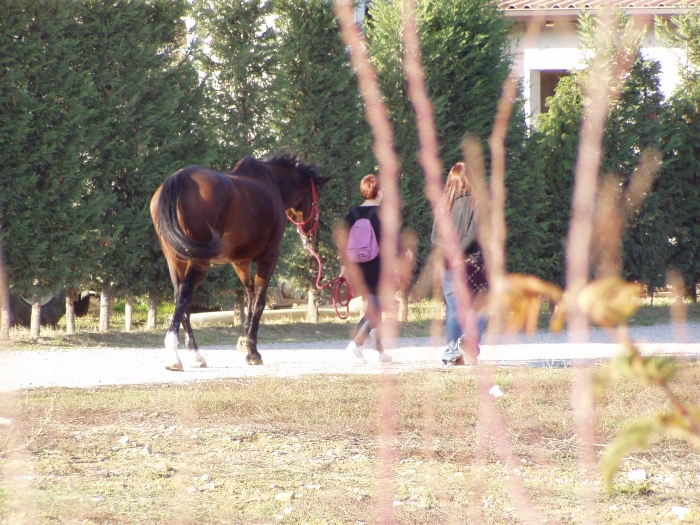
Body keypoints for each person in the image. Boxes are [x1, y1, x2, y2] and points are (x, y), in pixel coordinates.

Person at [431, 162, 488, 366]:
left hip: (450, 266)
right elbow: (473, 233)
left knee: (454, 310)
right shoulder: (478, 202)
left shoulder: (444, 204)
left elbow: (434, 237)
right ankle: (470, 341)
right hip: (474, 263)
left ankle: (451, 353)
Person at [338, 174, 393, 364]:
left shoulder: (352, 214)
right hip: (377, 267)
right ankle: (355, 345)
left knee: (374, 306)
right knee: (377, 308)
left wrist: (344, 268)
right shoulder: (383, 214)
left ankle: (380, 352)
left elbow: (343, 242)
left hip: (357, 268)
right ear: (378, 191)